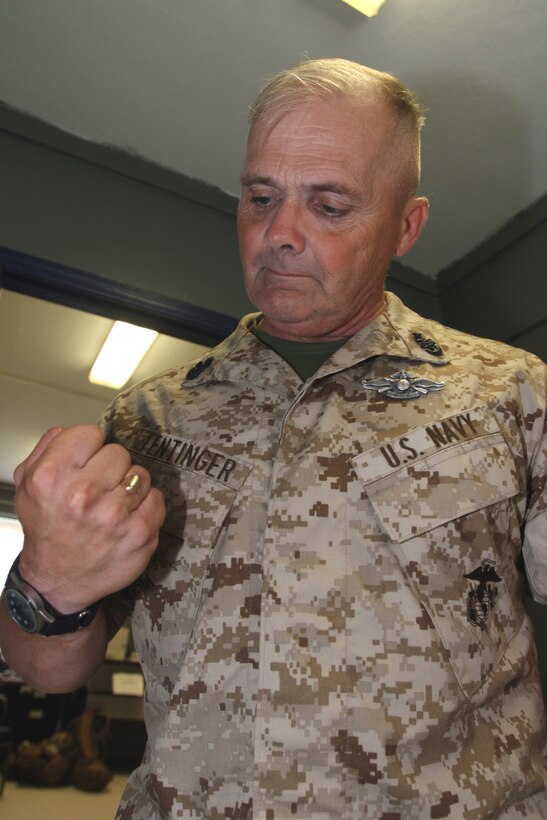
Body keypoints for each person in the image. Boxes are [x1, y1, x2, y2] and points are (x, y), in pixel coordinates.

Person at [0, 58, 545, 818]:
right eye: (260, 197)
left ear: (405, 227)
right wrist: (46, 583)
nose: (279, 234)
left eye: (328, 206)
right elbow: (46, 670)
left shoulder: (510, 393)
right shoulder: (145, 420)